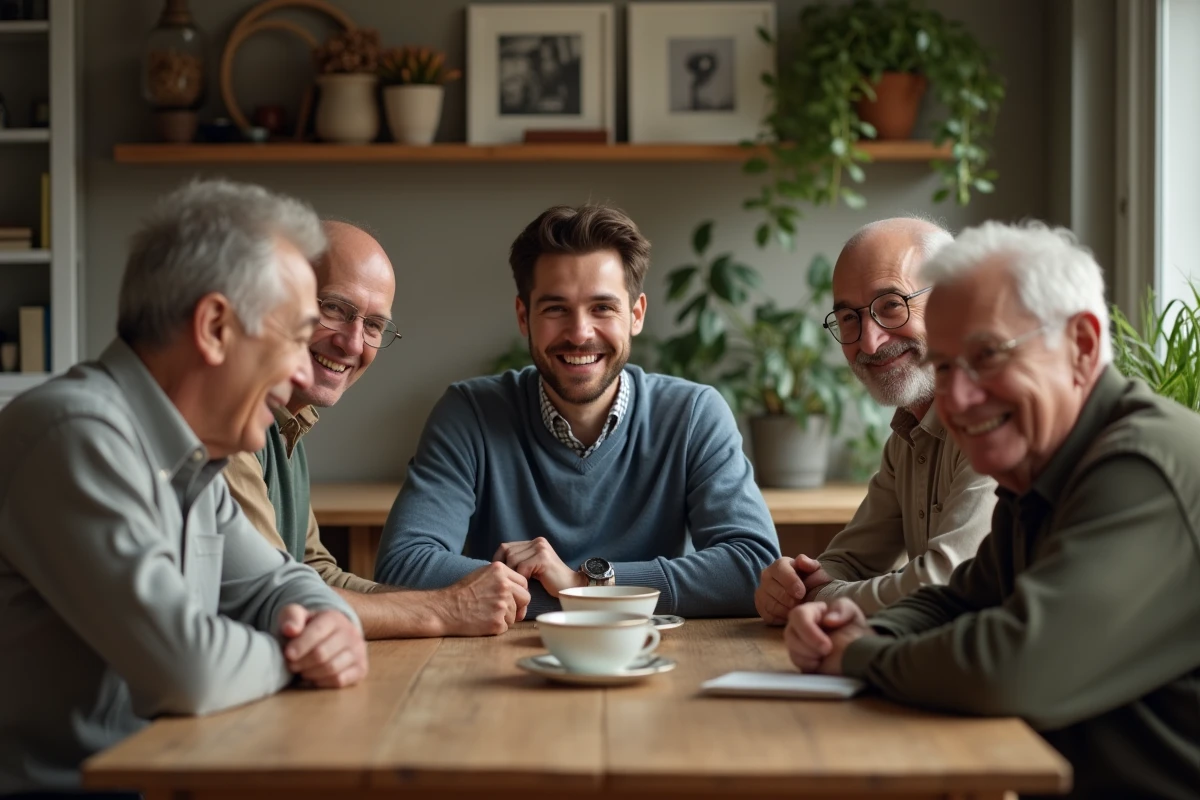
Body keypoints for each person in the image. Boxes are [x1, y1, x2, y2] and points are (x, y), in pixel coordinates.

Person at [784, 221, 1200, 799]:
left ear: (1080, 345)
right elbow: (959, 600)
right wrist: (860, 625)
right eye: (948, 367)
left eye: (988, 355)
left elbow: (1017, 668)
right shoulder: (1041, 468)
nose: (957, 398)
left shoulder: (1140, 467)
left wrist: (862, 654)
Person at [0, 179, 368, 794]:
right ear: (215, 327)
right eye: (296, 337)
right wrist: (301, 658)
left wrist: (332, 624)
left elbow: (280, 583)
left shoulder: (193, 459)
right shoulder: (73, 434)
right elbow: (188, 670)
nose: (307, 371)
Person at [376, 204, 780, 616]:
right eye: (555, 309)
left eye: (602, 307)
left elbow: (754, 568)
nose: (580, 333)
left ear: (635, 315)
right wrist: (596, 600)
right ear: (524, 317)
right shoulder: (470, 414)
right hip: (496, 662)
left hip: (651, 654)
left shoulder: (693, 414)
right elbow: (403, 565)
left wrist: (585, 583)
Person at [224, 221, 531, 638]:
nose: (353, 344)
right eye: (335, 309)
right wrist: (444, 609)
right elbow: (276, 598)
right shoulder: (229, 425)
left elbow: (314, 573)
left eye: (373, 325)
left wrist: (441, 603)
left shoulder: (288, 425)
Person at [755, 219, 996, 622]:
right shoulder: (909, 434)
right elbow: (848, 561)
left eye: (891, 306)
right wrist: (790, 584)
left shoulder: (996, 417)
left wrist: (820, 598)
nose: (869, 341)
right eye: (849, 318)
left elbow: (948, 584)